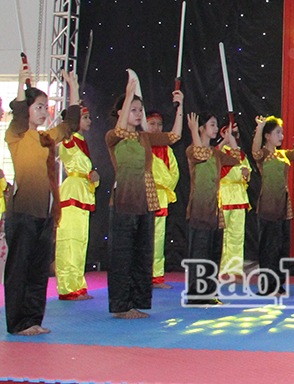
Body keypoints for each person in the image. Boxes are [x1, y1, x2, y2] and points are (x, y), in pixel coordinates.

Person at [5, 68, 80, 335]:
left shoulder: (45, 138)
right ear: (27, 109)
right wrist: (21, 82)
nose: (43, 111)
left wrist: (73, 88)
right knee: (19, 270)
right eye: (38, 106)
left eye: (44, 107)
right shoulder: (16, 135)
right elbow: (18, 113)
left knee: (38, 271)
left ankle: (33, 320)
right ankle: (18, 323)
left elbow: (70, 124)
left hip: (46, 215)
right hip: (23, 213)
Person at [106, 77, 183, 319]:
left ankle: (136, 302)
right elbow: (120, 130)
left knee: (142, 254)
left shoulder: (144, 138)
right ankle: (121, 306)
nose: (139, 114)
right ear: (121, 113)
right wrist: (129, 94)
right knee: (122, 255)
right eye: (133, 109)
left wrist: (180, 107)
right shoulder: (113, 136)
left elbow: (174, 136)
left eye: (141, 109)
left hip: (147, 201)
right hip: (124, 201)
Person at [183, 112, 242, 305]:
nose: (216, 128)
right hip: (199, 211)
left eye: (216, 125)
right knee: (199, 255)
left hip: (215, 212)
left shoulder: (216, 153)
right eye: (212, 125)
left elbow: (236, 159)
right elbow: (200, 153)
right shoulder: (192, 150)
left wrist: (230, 139)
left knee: (213, 255)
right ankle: (195, 295)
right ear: (201, 128)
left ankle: (210, 292)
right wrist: (194, 131)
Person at [252, 116, 294, 296]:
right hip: (268, 208)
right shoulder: (263, 154)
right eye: (278, 133)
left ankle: (278, 284)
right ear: (267, 136)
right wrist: (260, 128)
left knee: (282, 249)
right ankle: (267, 286)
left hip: (285, 208)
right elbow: (255, 151)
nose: (282, 136)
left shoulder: (282, 154)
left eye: (282, 133)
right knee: (269, 248)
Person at [55, 102, 100, 301]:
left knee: (80, 241)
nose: (89, 121)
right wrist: (74, 91)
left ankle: (78, 286)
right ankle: (68, 287)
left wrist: (92, 177)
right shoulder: (69, 139)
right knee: (70, 241)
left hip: (82, 192)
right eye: (85, 117)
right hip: (72, 193)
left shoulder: (81, 142)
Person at [147, 112, 180, 289]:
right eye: (152, 123)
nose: (156, 128)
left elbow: (174, 173)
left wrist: (163, 186)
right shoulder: (141, 144)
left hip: (160, 197)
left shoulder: (167, 150)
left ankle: (156, 276)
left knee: (158, 238)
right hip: (142, 195)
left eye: (159, 124)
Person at [218, 122, 251, 281]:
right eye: (231, 133)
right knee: (223, 235)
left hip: (239, 196)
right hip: (224, 195)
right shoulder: (220, 151)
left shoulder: (241, 154)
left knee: (237, 235)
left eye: (236, 134)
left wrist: (246, 174)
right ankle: (221, 268)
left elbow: (247, 174)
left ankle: (235, 269)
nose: (234, 137)